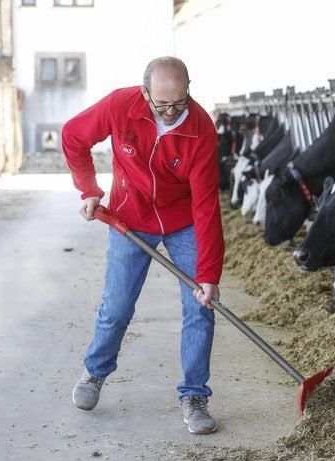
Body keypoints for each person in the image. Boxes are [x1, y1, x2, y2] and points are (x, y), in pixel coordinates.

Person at [62, 56, 224, 434]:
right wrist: (88, 189)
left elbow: (206, 204)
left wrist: (208, 273)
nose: (170, 112)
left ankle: (194, 395)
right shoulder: (121, 105)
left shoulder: (201, 129)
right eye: (162, 103)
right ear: (144, 91)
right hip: (129, 217)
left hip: (183, 221)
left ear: (189, 90)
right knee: (116, 306)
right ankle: (95, 373)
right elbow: (73, 135)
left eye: (179, 102)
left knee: (200, 307)